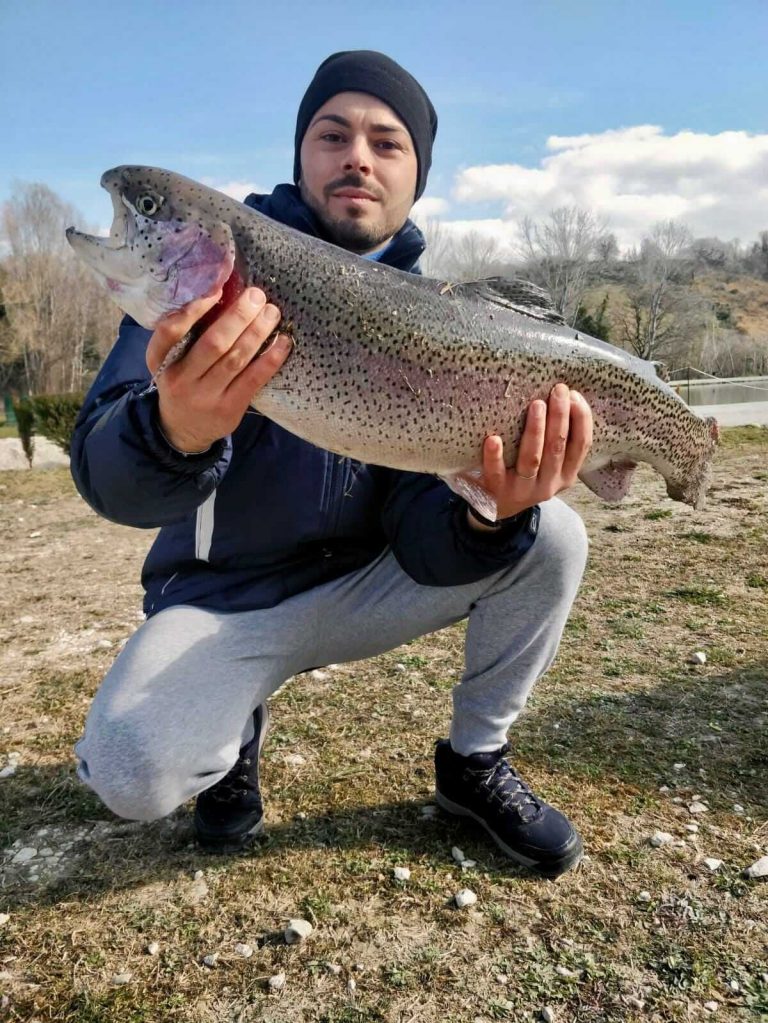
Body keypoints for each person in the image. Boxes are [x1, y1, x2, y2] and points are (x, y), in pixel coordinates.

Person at [71, 51, 593, 879]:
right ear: (299, 155)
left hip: (364, 589)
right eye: (333, 133)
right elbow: (108, 481)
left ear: (416, 178)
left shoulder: (442, 324)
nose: (357, 154)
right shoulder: (197, 301)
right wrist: (174, 430)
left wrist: (488, 513)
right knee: (130, 770)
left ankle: (473, 763)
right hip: (225, 605)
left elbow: (425, 542)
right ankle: (232, 728)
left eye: (388, 143)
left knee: (552, 534)